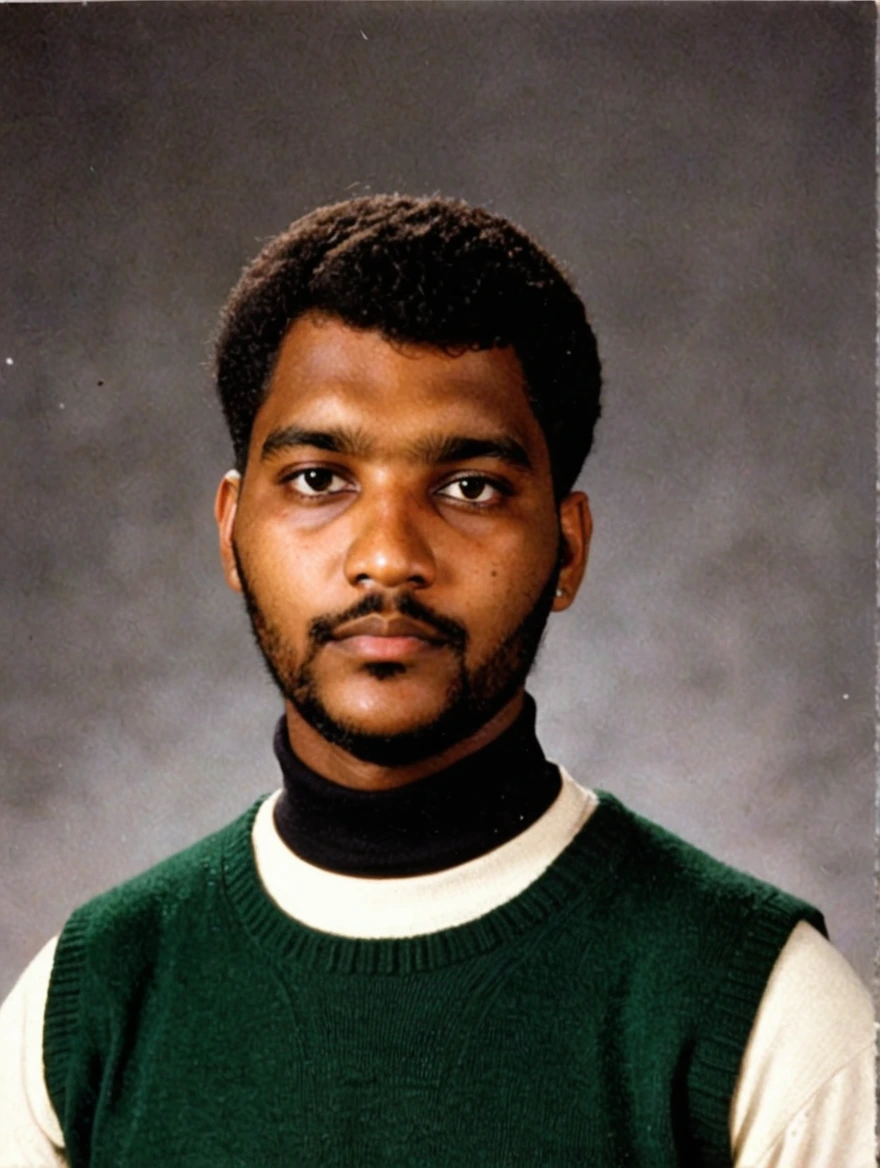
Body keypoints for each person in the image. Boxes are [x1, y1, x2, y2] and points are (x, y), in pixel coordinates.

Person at [0, 194, 873, 1167]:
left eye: (470, 487)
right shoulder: (81, 1007)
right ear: (231, 533)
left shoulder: (766, 1016)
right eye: (320, 478)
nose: (386, 557)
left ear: (567, 548)